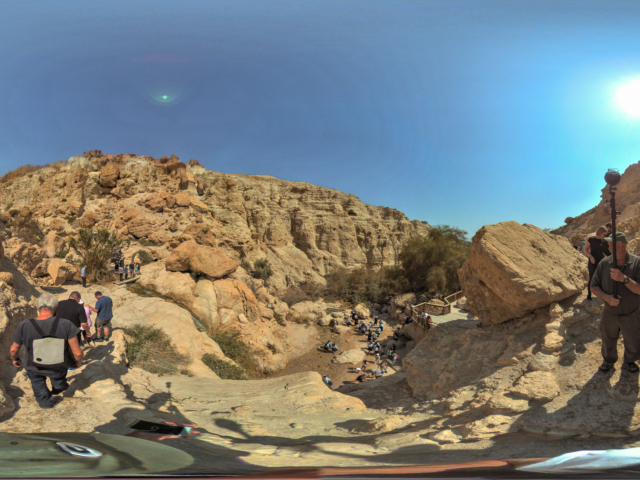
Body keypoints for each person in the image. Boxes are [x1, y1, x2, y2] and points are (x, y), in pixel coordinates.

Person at [9, 293, 83, 409]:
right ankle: (58, 388)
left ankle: (45, 403)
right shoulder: (65, 324)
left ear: (37, 308)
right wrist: (77, 362)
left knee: (37, 383)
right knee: (59, 380)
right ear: (55, 308)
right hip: (58, 365)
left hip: (34, 365)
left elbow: (14, 349)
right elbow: (77, 352)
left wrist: (15, 359)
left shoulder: (25, 325)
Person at [591, 232, 640, 373]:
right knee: (608, 339)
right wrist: (607, 298)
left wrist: (624, 279)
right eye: (608, 244)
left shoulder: (637, 262)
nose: (609, 247)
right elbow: (593, 286)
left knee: (633, 340)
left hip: (632, 313)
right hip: (609, 312)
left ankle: (630, 360)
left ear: (623, 245)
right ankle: (608, 361)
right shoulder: (604, 263)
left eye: (612, 245)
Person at [584, 226, 611, 300]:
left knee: (602, 277)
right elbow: (585, 249)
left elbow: (606, 252)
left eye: (606, 235)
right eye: (604, 234)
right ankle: (589, 294)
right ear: (600, 233)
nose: (605, 236)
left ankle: (601, 293)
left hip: (601, 262)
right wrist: (590, 256)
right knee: (592, 277)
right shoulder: (591, 239)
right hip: (592, 261)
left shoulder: (603, 241)